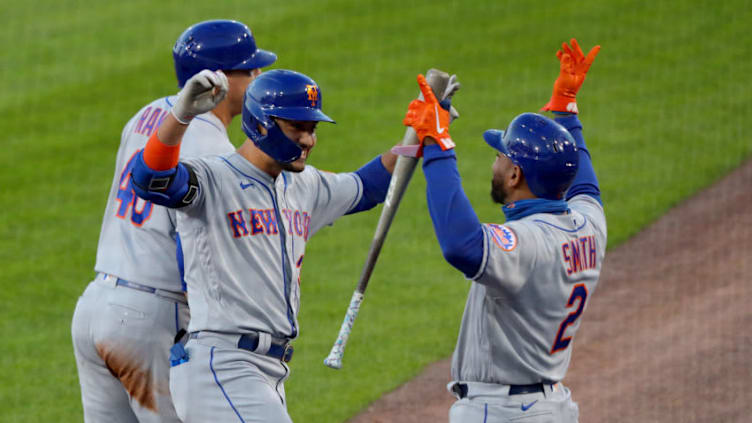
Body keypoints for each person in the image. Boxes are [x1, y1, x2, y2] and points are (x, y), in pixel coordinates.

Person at [129, 67, 409, 422]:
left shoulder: (304, 186)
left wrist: (415, 141)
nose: (309, 140)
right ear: (262, 124)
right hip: (222, 367)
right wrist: (180, 116)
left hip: (268, 373)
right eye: (298, 128)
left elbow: (367, 187)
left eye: (313, 130)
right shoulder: (214, 179)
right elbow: (149, 179)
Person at [71, 20, 276, 423]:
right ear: (218, 80)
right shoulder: (211, 146)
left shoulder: (147, 115)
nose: (257, 76)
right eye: (248, 69)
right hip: (149, 319)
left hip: (95, 307)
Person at [401, 39, 604, 422]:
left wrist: (439, 146)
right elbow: (585, 183)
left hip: (505, 412)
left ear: (515, 175)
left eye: (500, 155)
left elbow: (463, 246)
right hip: (552, 407)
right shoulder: (589, 226)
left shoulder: (528, 243)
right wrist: (565, 106)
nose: (494, 161)